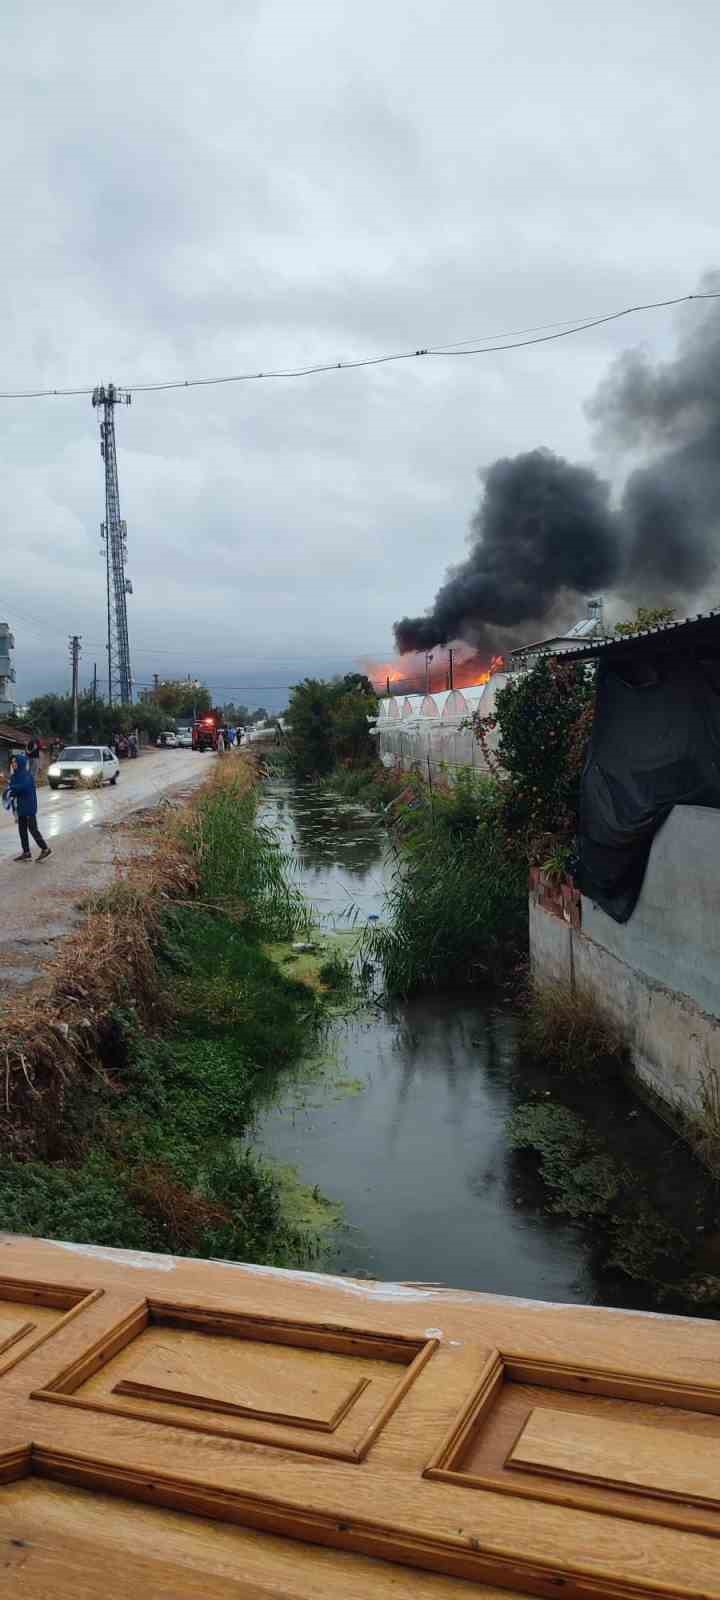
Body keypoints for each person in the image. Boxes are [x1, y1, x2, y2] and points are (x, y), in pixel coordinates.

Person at [6, 753, 51, 862]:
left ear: (21, 763)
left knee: (33, 829)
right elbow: (12, 791)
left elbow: (23, 788)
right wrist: (9, 791)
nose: (14, 764)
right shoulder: (14, 776)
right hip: (19, 807)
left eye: (15, 762)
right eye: (12, 762)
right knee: (22, 830)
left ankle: (45, 848)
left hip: (28, 807)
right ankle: (26, 852)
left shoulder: (27, 775)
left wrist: (11, 789)